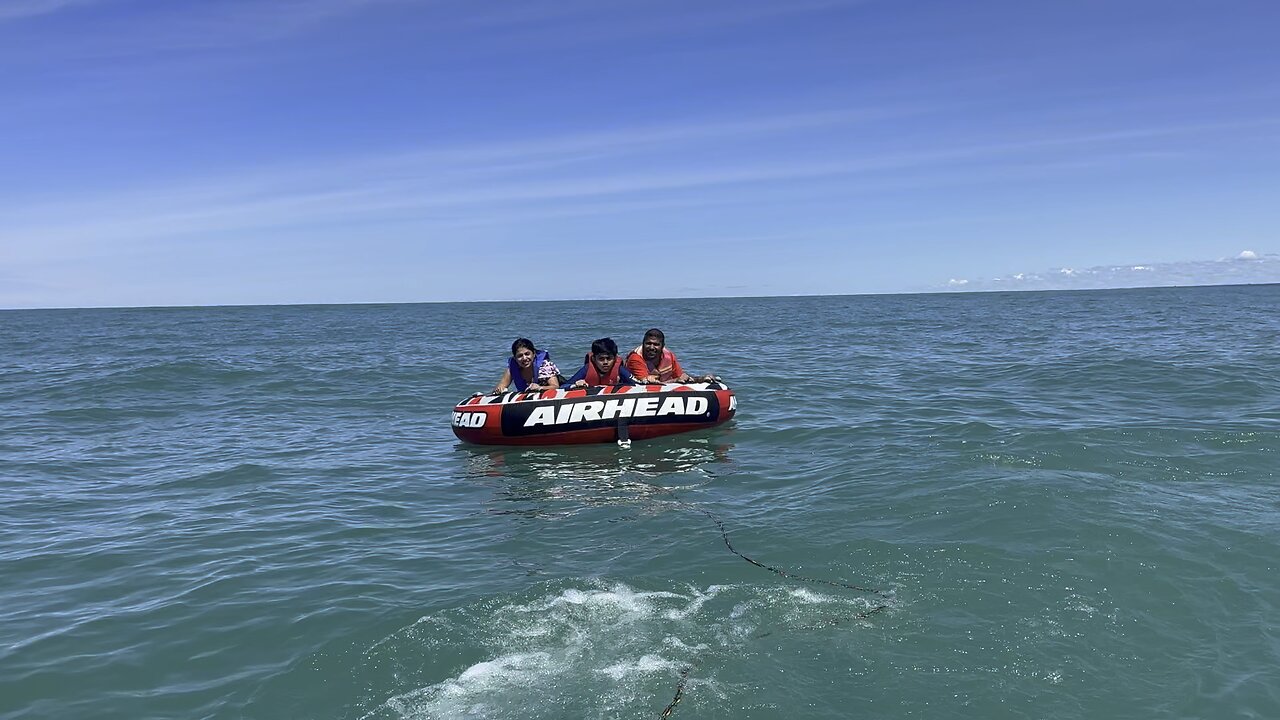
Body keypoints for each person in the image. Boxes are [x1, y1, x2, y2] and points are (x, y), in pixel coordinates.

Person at [625, 328, 716, 385]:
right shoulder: (635, 358)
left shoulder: (669, 356)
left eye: (656, 344)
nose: (651, 347)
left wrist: (700, 379)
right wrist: (675, 381)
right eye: (648, 344)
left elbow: (681, 378)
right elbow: (645, 386)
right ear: (643, 344)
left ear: (663, 346)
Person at [563, 338, 638, 388]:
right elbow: (563, 386)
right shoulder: (587, 369)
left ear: (615, 358)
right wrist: (575, 385)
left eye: (609, 359)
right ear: (594, 359)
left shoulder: (619, 369)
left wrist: (620, 385)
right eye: (601, 359)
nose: (605, 362)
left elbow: (637, 384)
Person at [493, 338, 561, 393]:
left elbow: (555, 386)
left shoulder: (544, 365)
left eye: (527, 354)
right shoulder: (512, 369)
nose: (524, 358)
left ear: (534, 354)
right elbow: (501, 387)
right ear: (515, 358)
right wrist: (498, 390)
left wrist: (540, 388)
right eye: (520, 356)